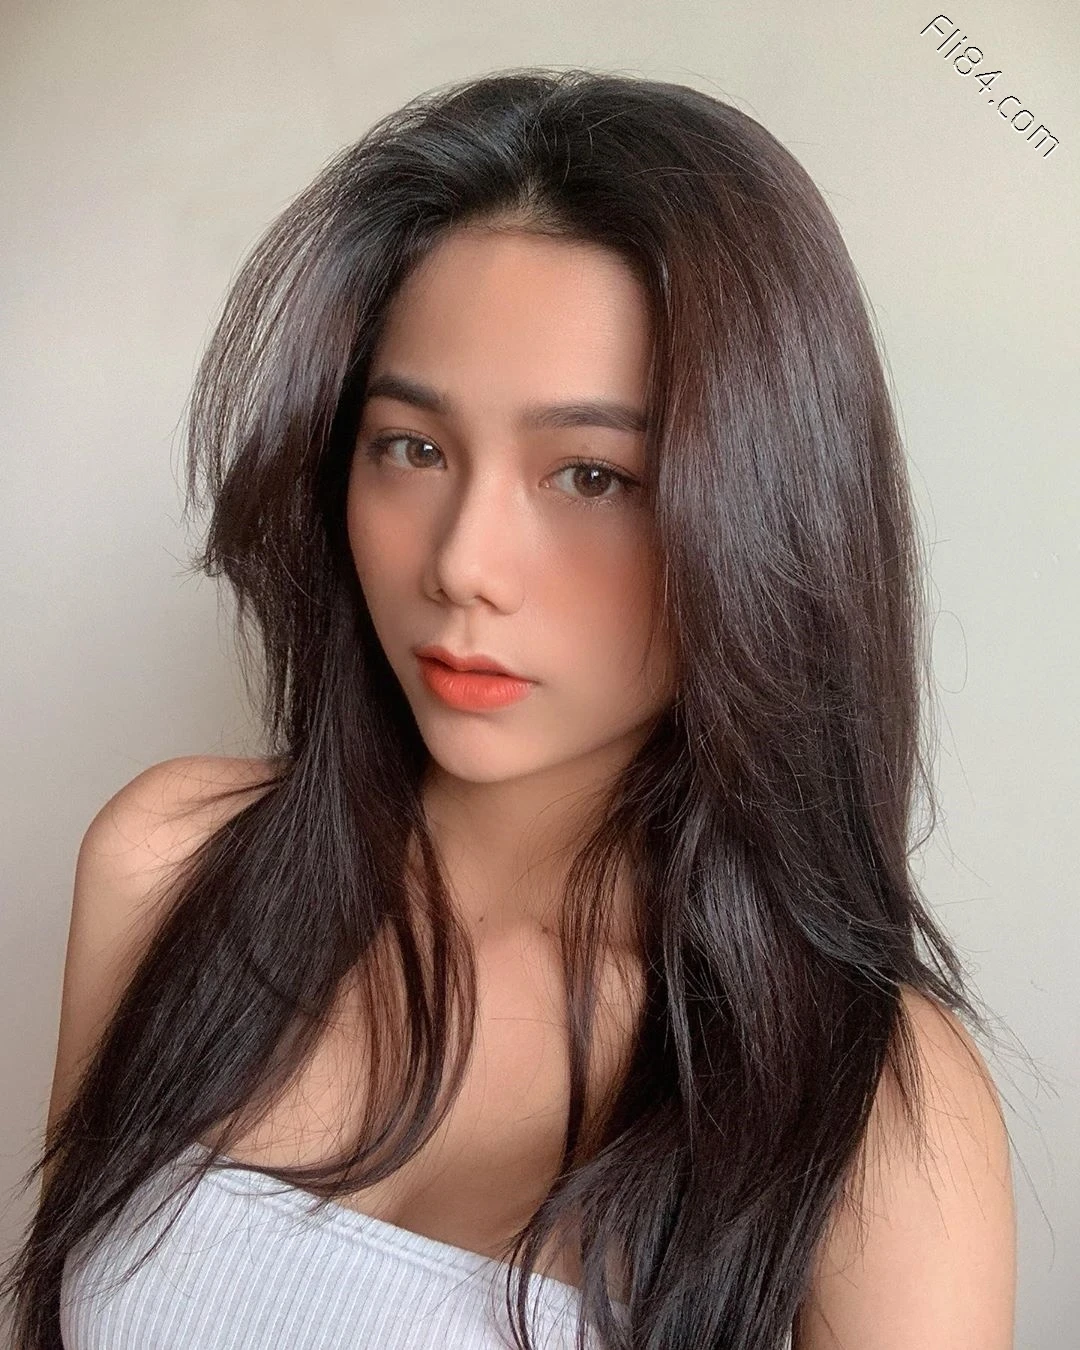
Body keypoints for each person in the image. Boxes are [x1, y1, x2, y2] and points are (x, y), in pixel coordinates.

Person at [2, 67, 1015, 1349]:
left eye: (591, 475)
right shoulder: (171, 865)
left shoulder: (877, 1110)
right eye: (412, 448)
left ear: (764, 517)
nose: (462, 564)